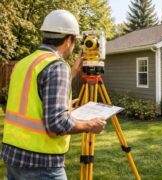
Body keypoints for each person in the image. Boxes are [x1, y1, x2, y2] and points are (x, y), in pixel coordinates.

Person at [1, 9, 106, 179]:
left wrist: (71, 74)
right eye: (74, 41)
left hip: (13, 155)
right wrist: (90, 125)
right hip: (41, 162)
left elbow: (30, 98)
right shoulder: (57, 66)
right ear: (68, 40)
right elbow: (56, 124)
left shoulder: (23, 63)